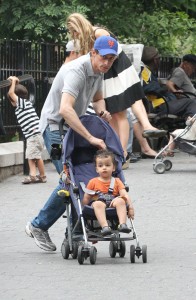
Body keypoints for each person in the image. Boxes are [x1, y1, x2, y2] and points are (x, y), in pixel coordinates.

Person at [25, 36, 120, 252]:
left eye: (111, 60)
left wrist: (101, 111)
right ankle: (43, 226)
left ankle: (74, 234)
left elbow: (96, 99)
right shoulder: (76, 70)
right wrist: (91, 137)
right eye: (104, 57)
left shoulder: (98, 72)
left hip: (71, 127)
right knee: (71, 181)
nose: (107, 63)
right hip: (55, 127)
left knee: (76, 180)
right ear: (93, 53)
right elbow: (65, 109)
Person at [66, 13, 166, 161]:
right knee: (113, 112)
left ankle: (124, 151)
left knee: (123, 110)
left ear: (79, 26)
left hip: (118, 69)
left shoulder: (98, 32)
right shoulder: (88, 39)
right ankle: (119, 149)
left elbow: (114, 51)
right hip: (107, 72)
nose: (74, 35)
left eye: (74, 31)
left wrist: (103, 60)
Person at [39, 40, 81, 174]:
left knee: (69, 179)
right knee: (67, 178)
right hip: (54, 126)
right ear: (74, 53)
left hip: (65, 127)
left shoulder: (75, 70)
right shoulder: (69, 70)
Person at [82, 149, 134, 236]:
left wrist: (131, 208)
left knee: (121, 200)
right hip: (98, 203)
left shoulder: (117, 181)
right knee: (98, 204)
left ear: (113, 168)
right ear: (97, 169)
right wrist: (82, 208)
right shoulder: (93, 182)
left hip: (112, 204)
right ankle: (105, 227)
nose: (104, 167)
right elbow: (86, 197)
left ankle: (122, 224)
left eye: (107, 165)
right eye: (100, 166)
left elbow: (124, 194)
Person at [7, 76, 47, 184]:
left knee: (32, 156)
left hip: (33, 135)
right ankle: (41, 176)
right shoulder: (24, 104)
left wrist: (13, 82)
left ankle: (34, 175)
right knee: (35, 156)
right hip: (35, 134)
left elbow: (11, 93)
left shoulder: (22, 103)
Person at [141, 46, 196, 119]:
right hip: (158, 106)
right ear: (155, 60)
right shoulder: (145, 72)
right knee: (190, 102)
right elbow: (149, 88)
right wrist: (168, 91)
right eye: (159, 59)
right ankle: (190, 126)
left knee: (188, 102)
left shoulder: (147, 72)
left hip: (159, 104)